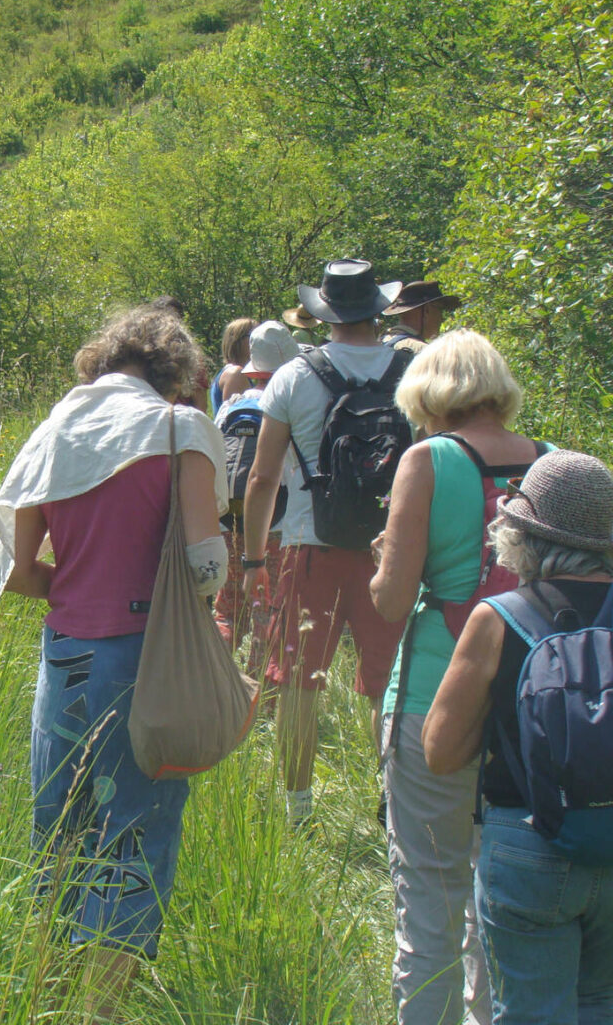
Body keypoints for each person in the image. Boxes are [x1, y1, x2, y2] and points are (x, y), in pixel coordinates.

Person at [421, 450, 613, 1025]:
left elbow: (439, 753)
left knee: (534, 1011)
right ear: (606, 540)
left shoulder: (497, 617)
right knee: (594, 1002)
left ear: (519, 535)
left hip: (531, 846)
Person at [0, 305, 228, 1019]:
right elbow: (206, 563)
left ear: (102, 361)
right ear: (173, 370)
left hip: (64, 654)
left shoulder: (55, 429)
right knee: (135, 825)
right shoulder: (178, 429)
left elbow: (20, 573)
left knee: (57, 822)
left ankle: (46, 988)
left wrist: (82, 587)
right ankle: (102, 1010)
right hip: (146, 655)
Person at [369, 330, 543, 1025]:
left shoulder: (427, 460)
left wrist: (385, 553)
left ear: (428, 393)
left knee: (429, 900)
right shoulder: (553, 464)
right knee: (496, 892)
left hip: (431, 699)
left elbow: (388, 601)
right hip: (528, 703)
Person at [241, 260, 408, 830]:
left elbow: (262, 479)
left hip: (309, 547)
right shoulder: (413, 371)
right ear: (378, 310)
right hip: (392, 550)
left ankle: (298, 808)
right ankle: (397, 800)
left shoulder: (293, 377)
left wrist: (254, 558)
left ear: (324, 314)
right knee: (390, 682)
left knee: (300, 683)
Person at [213, 320, 301, 659]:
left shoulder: (230, 405)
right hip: (273, 526)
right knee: (267, 612)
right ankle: (259, 701)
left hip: (229, 521)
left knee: (227, 612)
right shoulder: (287, 407)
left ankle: (217, 691)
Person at [381, 281, 462, 354]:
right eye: (439, 310)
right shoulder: (425, 352)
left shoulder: (379, 342)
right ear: (427, 310)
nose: (442, 319)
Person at [210, 317, 255, 414]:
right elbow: (235, 420)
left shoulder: (237, 372)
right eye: (253, 335)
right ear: (237, 340)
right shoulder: (235, 374)